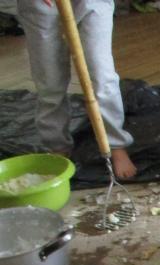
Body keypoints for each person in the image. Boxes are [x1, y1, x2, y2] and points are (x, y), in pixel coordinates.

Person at [17, 0, 137, 179]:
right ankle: (57, 147)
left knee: (101, 75)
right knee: (50, 81)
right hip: (41, 5)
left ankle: (115, 144)